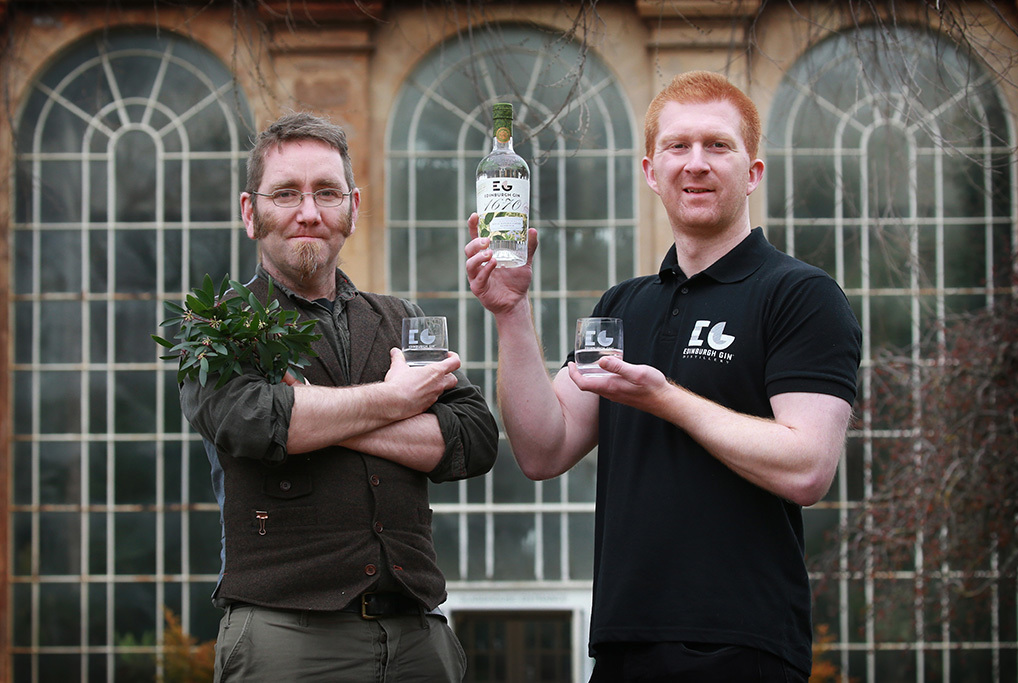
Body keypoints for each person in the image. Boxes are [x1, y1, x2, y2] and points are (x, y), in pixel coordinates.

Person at [465, 71, 861, 682]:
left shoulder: (801, 295)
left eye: (717, 146)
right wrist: (511, 312)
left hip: (740, 645)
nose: (695, 164)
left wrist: (666, 399)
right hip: (624, 643)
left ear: (752, 172)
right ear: (652, 171)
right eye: (678, 147)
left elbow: (807, 466)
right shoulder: (623, 305)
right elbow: (544, 449)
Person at [181, 112, 498, 682]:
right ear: (251, 213)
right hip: (286, 639)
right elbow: (257, 422)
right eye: (286, 194)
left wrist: (320, 412)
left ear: (352, 207)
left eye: (326, 193)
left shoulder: (402, 320)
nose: (309, 212)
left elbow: (474, 438)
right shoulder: (215, 325)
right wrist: (400, 398)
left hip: (418, 639)